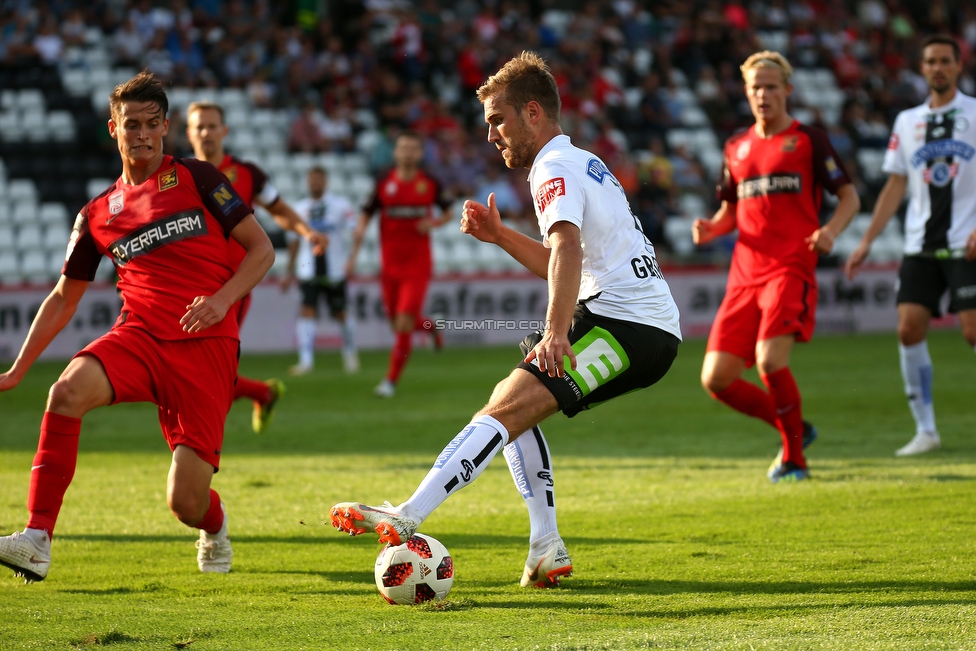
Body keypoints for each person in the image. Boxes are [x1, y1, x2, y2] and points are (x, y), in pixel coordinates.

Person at [330, 51, 682, 588]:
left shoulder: (552, 166)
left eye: (497, 119)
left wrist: (558, 333)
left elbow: (565, 249)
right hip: (636, 321)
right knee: (510, 403)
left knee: (507, 408)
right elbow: (567, 257)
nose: (490, 134)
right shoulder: (581, 160)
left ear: (533, 111)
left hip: (625, 323)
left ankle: (408, 515)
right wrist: (500, 236)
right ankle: (546, 547)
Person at [0, 72, 274, 582]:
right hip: (140, 337)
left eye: (152, 124)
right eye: (132, 125)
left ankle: (214, 525)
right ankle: (37, 539)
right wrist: (18, 369)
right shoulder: (97, 214)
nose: (142, 134)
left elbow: (262, 250)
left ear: (167, 127)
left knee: (186, 502)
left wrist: (222, 301)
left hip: (206, 343)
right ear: (113, 129)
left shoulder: (198, 178)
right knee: (65, 392)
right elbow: (64, 298)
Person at [693, 50, 861, 483]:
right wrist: (712, 229)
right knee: (717, 378)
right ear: (747, 94)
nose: (763, 94)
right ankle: (797, 430)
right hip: (744, 275)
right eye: (756, 88)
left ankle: (794, 460)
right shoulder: (736, 148)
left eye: (771, 86)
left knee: (770, 362)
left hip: (790, 267)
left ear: (787, 90)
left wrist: (830, 232)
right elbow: (730, 209)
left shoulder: (809, 140)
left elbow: (850, 197)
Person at [845, 35, 976, 456]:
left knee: (972, 332)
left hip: (966, 244)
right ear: (921, 69)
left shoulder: (974, 114)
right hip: (920, 245)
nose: (937, 68)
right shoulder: (907, 121)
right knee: (908, 328)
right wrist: (867, 239)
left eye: (945, 61)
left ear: (959, 65)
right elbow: (895, 184)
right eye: (930, 62)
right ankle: (926, 431)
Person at [185, 101, 327, 433]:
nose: (206, 132)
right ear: (189, 133)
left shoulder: (247, 174)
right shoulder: (178, 174)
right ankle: (262, 392)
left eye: (212, 125)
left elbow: (278, 209)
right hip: (190, 285)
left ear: (225, 131)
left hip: (234, 286)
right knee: (200, 371)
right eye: (199, 127)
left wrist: (307, 232)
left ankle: (199, 454)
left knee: (206, 372)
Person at [347, 131, 452, 398]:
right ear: (396, 153)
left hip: (417, 266)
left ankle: (390, 381)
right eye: (403, 148)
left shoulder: (429, 183)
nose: (407, 152)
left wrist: (435, 222)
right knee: (398, 323)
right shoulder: (384, 183)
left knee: (404, 323)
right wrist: (356, 240)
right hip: (390, 266)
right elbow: (367, 213)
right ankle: (430, 326)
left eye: (412, 148)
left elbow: (449, 211)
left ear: (419, 154)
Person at [283, 166, 359, 375]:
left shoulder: (340, 204)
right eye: (312, 179)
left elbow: (356, 231)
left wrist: (352, 259)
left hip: (335, 268)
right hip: (308, 270)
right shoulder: (299, 208)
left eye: (318, 179)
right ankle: (306, 360)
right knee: (307, 311)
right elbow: (293, 242)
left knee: (341, 313)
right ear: (308, 183)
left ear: (326, 182)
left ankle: (350, 353)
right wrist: (288, 272)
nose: (315, 183)